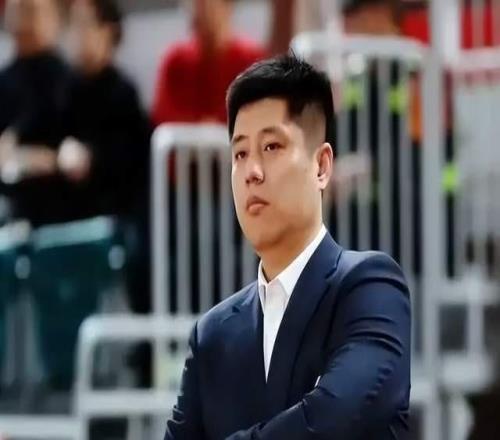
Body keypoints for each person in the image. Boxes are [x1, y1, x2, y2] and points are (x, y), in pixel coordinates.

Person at [163, 55, 411, 439]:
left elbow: (331, 417)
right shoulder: (211, 335)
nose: (252, 171)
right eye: (240, 153)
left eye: (272, 146)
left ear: (321, 166)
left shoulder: (371, 289)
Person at [64, 0, 152, 388]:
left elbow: (130, 165)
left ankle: (143, 362)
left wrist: (92, 160)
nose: (78, 35)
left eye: (87, 25)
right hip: (65, 218)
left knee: (140, 254)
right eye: (73, 25)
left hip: (120, 216)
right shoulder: (63, 90)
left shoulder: (123, 94)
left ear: (109, 31)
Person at [0, 0, 72, 226]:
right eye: (17, 12)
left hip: (62, 208)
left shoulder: (69, 80)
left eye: (31, 12)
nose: (23, 23)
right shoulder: (5, 81)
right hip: (12, 208)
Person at [151, 0, 266, 125]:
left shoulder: (251, 60)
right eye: (196, 5)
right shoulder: (175, 61)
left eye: (209, 6)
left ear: (228, 7)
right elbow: (162, 115)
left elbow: (260, 112)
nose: (201, 13)